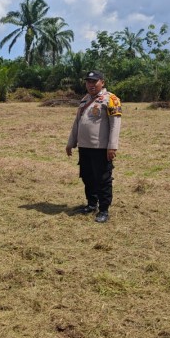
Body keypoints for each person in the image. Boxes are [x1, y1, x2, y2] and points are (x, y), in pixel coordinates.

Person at [65, 70, 122, 223]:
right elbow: (77, 123)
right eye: (88, 82)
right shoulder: (84, 100)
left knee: (103, 179)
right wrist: (71, 143)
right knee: (87, 177)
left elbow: (115, 125)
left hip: (100, 148)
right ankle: (91, 204)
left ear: (102, 82)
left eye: (94, 81)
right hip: (84, 147)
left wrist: (112, 147)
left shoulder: (111, 99)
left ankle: (104, 209)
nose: (91, 84)